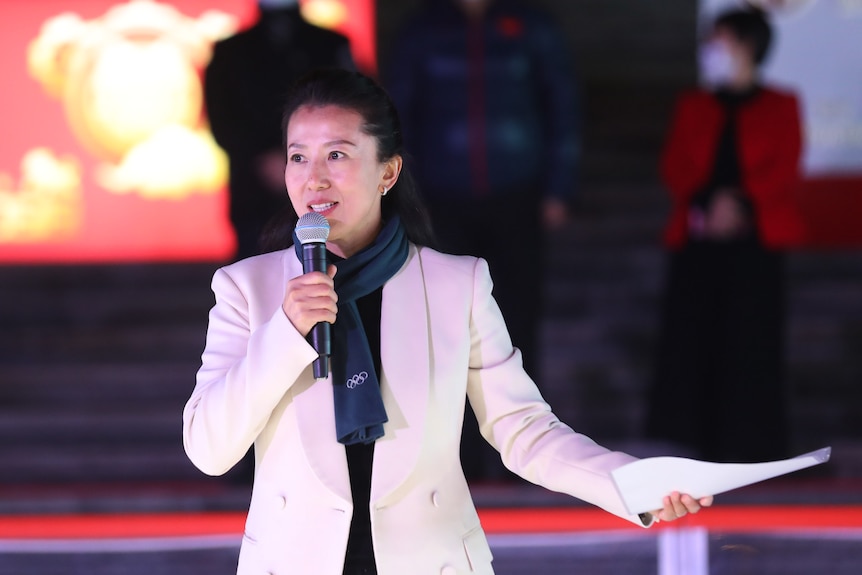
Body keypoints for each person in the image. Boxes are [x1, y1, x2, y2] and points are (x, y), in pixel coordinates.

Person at [183, 68, 710, 575]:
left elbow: (522, 431)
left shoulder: (456, 284)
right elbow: (208, 450)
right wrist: (284, 334)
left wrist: (633, 484)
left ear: (388, 170)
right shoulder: (247, 290)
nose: (313, 177)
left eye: (337, 154)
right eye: (298, 156)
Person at [384, 0, 580, 482]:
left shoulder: (530, 24)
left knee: (518, 322)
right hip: (441, 201)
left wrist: (559, 185)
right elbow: (396, 114)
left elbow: (563, 103)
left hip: (518, 195)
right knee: (445, 329)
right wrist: (404, 197)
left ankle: (522, 456)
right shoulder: (423, 29)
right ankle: (455, 456)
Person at [645, 7, 806, 463]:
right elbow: (675, 165)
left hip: (757, 246)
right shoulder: (693, 105)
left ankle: (752, 445)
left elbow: (785, 167)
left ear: (747, 47)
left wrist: (742, 206)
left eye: (720, 41)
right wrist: (706, 206)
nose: (711, 51)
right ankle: (692, 443)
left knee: (751, 344)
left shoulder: (781, 103)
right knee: (694, 342)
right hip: (699, 245)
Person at [204, 0, 353, 261]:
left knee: (331, 268)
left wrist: (300, 159)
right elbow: (221, 117)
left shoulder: (330, 45)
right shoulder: (230, 52)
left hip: (324, 188)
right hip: (253, 191)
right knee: (255, 273)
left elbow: (354, 112)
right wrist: (263, 157)